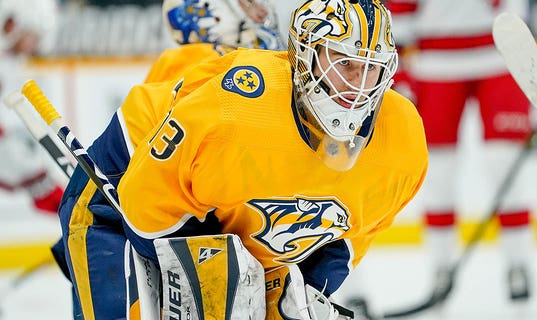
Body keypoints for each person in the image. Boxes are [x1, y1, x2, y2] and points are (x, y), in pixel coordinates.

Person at [55, 0, 428, 318]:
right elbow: (145, 203)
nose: (359, 85)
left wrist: (295, 291)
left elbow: (347, 237)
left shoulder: (403, 140)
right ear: (304, 59)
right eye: (344, 63)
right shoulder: (235, 108)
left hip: (214, 219)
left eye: (371, 67)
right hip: (121, 203)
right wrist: (211, 278)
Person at [386, 0, 534, 306]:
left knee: (503, 163)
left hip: (498, 56)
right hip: (435, 63)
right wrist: (399, 71)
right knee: (438, 171)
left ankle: (518, 264)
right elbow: (399, 12)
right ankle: (441, 268)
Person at [0, 0, 64, 215]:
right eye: (31, 35)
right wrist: (37, 179)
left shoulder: (9, 62)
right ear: (12, 24)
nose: (33, 45)